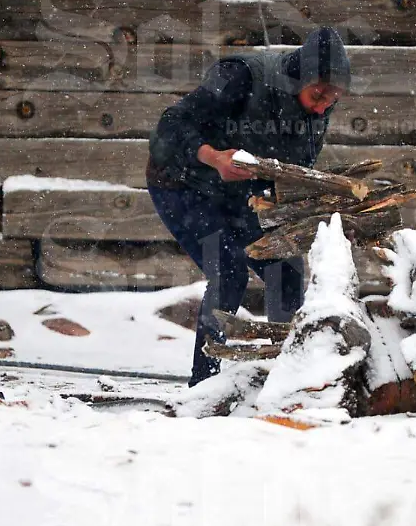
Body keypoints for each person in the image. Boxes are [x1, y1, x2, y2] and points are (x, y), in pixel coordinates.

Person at [147, 27, 351, 386]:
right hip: (182, 183)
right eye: (318, 94)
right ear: (300, 78)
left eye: (332, 98)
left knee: (286, 268)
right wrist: (212, 157)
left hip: (243, 196)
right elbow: (170, 125)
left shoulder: (318, 108)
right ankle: (204, 385)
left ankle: (289, 380)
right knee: (228, 271)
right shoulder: (240, 77)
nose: (323, 105)